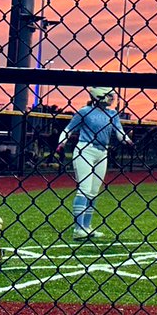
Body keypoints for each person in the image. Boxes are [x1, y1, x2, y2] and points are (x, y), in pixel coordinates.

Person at [56, 86, 133, 239]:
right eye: (109, 95)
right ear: (99, 96)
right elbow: (69, 129)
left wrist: (129, 141)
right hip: (86, 150)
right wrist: (62, 143)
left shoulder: (112, 114)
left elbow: (119, 132)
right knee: (84, 189)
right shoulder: (85, 111)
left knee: (93, 191)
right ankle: (78, 229)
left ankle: (87, 226)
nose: (112, 98)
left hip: (102, 152)